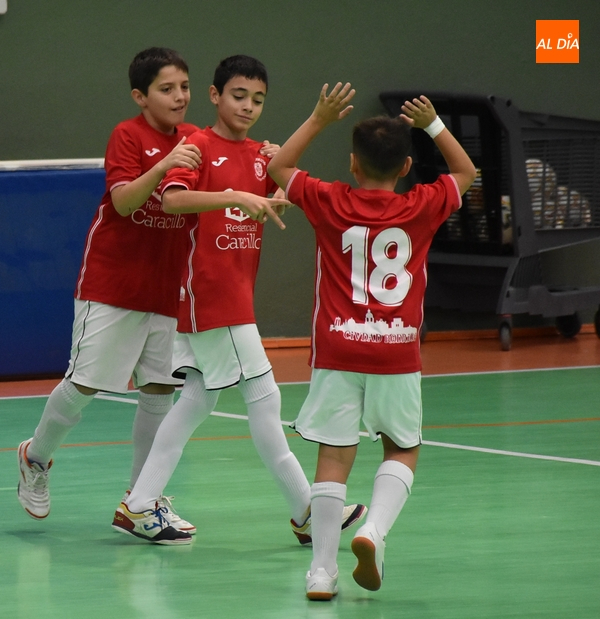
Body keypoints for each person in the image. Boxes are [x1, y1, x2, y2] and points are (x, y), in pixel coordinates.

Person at [112, 56, 367, 545]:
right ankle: (306, 511)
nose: (248, 106)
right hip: (210, 296)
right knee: (266, 400)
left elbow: (280, 186)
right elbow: (171, 200)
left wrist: (272, 179)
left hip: (231, 296)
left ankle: (140, 503)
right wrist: (233, 196)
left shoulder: (259, 156)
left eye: (258, 99)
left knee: (195, 401)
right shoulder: (197, 146)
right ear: (214, 96)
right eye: (238, 96)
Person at [268, 84, 476, 599]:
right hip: (397, 353)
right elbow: (468, 173)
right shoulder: (423, 205)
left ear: (353, 165)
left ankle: (320, 572)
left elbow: (279, 168)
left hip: (338, 351)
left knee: (333, 458)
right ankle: (373, 530)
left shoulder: (328, 200)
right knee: (402, 448)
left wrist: (318, 117)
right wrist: (433, 125)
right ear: (406, 167)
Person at [15, 47, 203, 533]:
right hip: (113, 284)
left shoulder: (197, 140)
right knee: (84, 386)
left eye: (184, 87)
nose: (179, 97)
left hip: (167, 287)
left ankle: (142, 500)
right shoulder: (128, 135)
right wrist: (164, 166)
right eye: (167, 89)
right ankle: (35, 458)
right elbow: (123, 202)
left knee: (161, 388)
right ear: (140, 96)